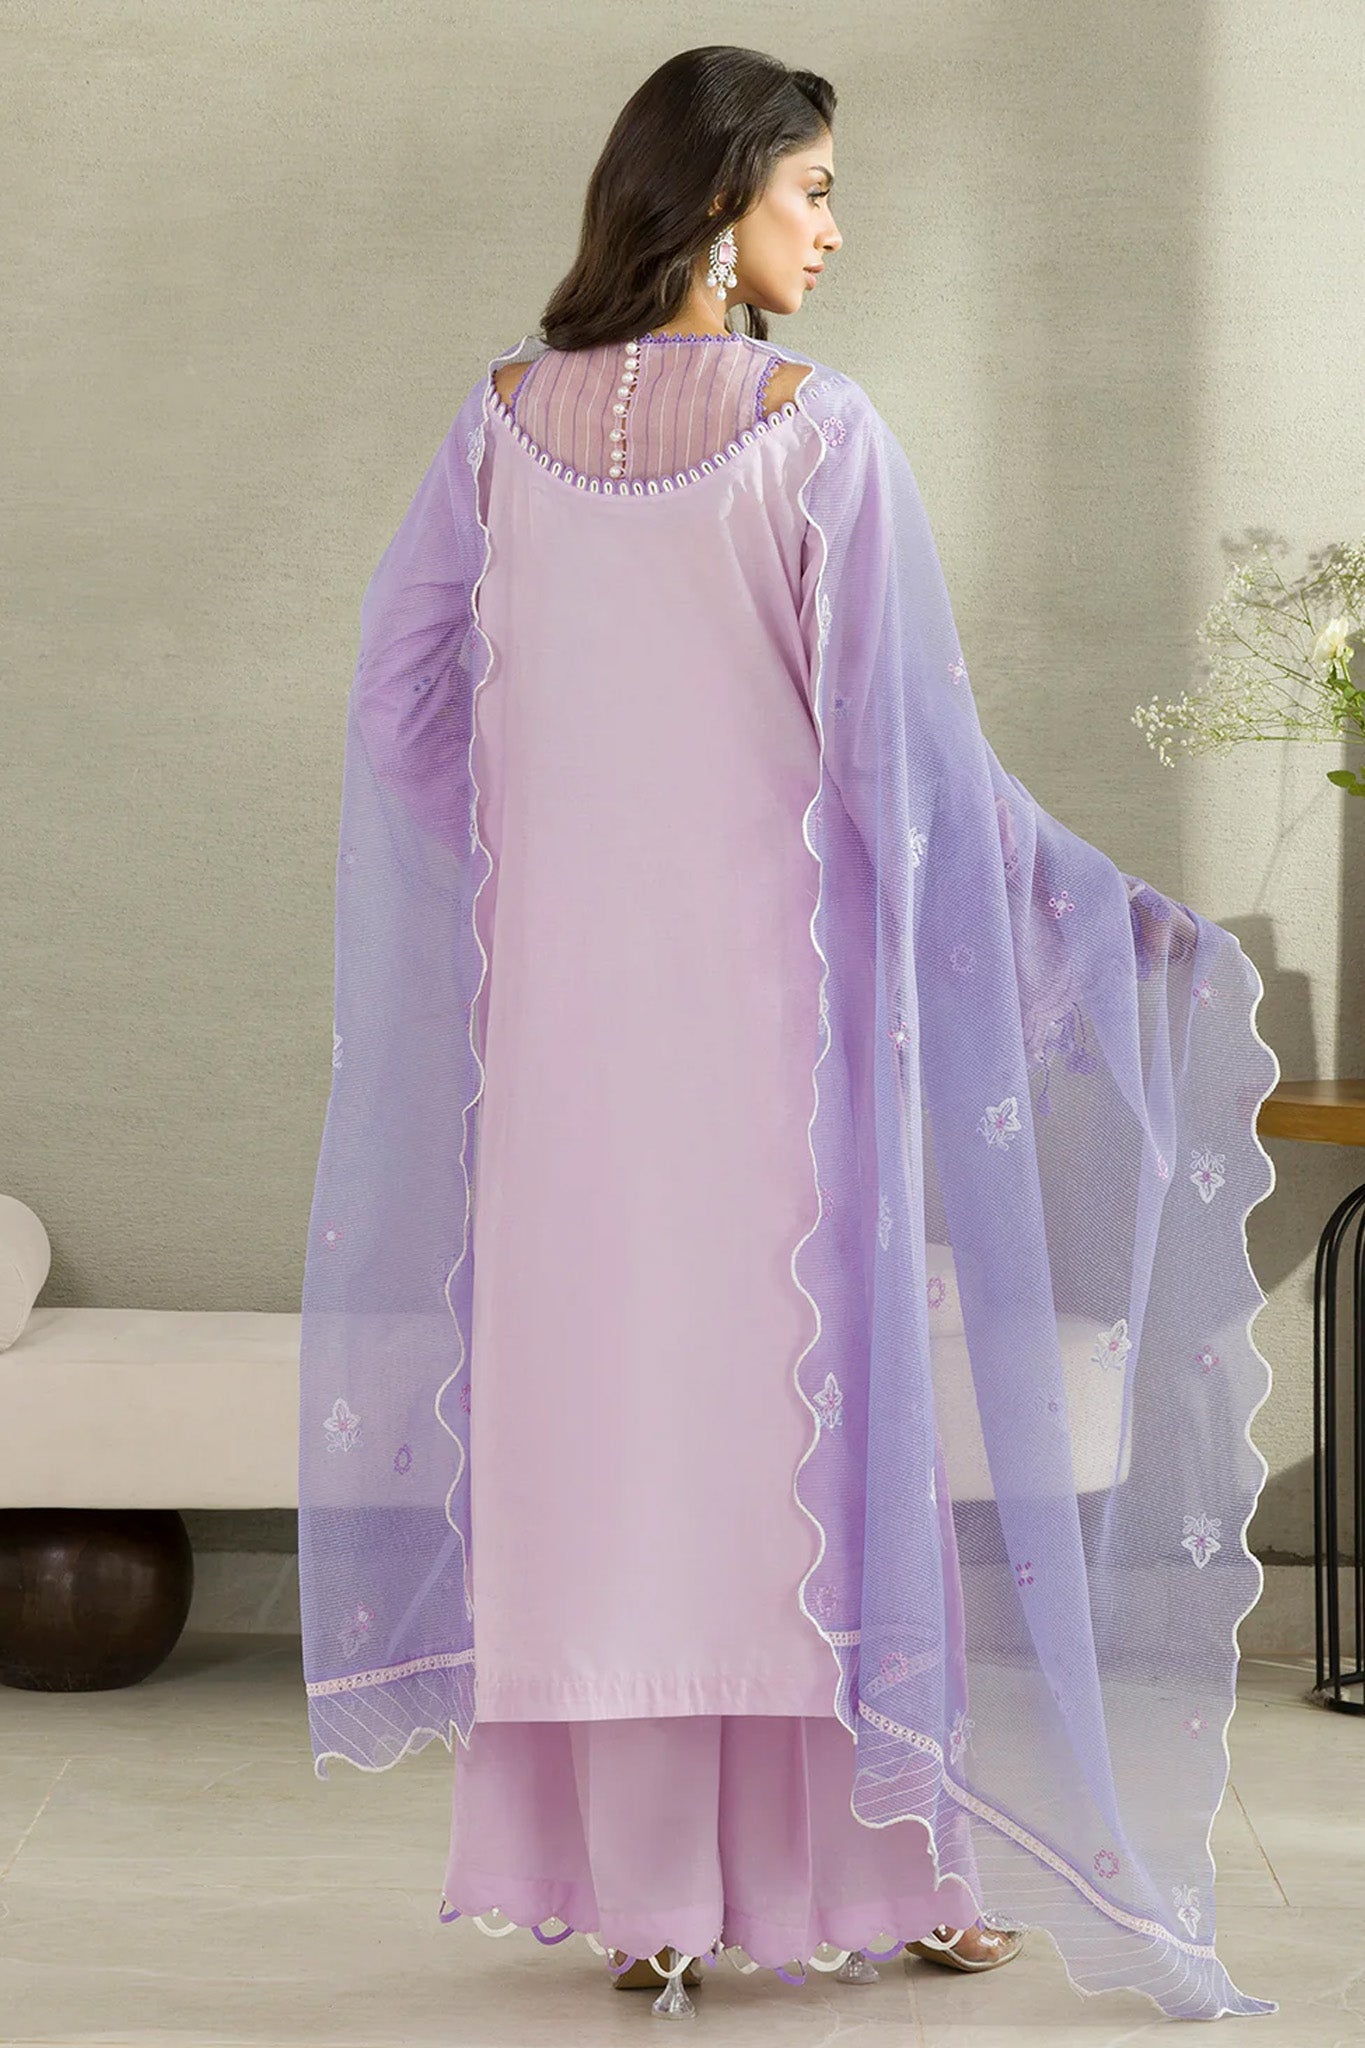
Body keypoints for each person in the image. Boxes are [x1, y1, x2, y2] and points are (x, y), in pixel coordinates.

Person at [298, 47, 1281, 2024]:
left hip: (560, 1034)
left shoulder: (496, 427)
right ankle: (881, 1865)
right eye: (810, 188)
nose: (830, 230)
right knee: (793, 1429)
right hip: (770, 1024)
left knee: (601, 1425)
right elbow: (902, 759)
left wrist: (549, 842)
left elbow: (400, 705)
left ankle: (645, 1892)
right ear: (714, 194)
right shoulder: (812, 430)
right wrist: (1095, 916)